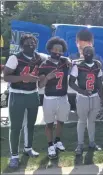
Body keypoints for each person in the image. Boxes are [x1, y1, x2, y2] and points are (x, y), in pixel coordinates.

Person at [3, 34, 43, 168]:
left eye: (32, 43)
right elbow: (6, 77)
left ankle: (28, 148)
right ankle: (14, 155)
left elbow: (54, 60)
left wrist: (67, 60)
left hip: (33, 94)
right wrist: (22, 77)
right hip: (17, 94)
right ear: (21, 45)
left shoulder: (39, 57)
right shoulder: (15, 58)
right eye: (27, 43)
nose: (30, 45)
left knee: (30, 124)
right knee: (15, 127)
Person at [38, 37, 71, 159]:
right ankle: (50, 144)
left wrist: (68, 59)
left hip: (63, 97)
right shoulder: (44, 64)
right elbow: (40, 85)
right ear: (50, 49)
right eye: (55, 49)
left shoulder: (65, 61)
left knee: (61, 121)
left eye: (60, 50)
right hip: (50, 98)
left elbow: (75, 61)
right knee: (49, 124)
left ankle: (57, 141)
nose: (58, 52)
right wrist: (47, 78)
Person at [69, 46, 103, 155]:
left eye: (90, 51)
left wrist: (102, 98)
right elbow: (71, 82)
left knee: (92, 121)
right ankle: (80, 144)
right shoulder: (78, 66)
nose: (88, 53)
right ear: (83, 53)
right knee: (82, 121)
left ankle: (92, 142)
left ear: (94, 53)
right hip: (82, 97)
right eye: (86, 51)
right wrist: (81, 91)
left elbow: (99, 84)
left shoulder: (97, 66)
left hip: (94, 96)